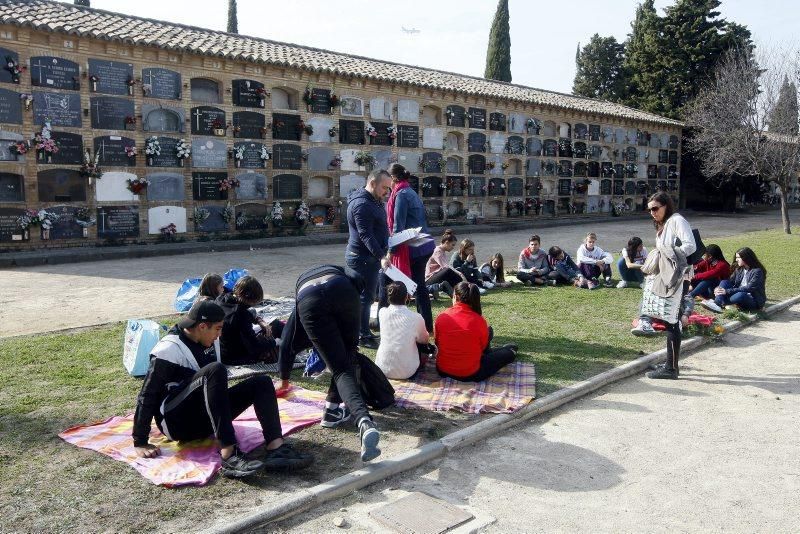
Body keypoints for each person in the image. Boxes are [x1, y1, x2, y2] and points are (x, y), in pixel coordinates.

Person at [132, 300, 312, 478]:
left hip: (206, 419)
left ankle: (276, 448)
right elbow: (147, 395)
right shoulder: (168, 349)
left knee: (262, 382)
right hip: (178, 424)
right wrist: (140, 441)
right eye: (217, 329)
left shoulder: (209, 341)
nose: (219, 335)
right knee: (214, 370)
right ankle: (228, 452)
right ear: (202, 326)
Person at [277, 265, 382, 462]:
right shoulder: (339, 270)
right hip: (344, 291)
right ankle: (349, 416)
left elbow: (285, 342)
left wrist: (284, 379)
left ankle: (343, 415)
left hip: (311, 300)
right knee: (345, 360)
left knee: (340, 366)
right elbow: (358, 277)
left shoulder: (303, 286)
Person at [634, 191, 696, 380]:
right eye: (649, 210)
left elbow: (690, 245)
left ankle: (671, 368)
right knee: (668, 318)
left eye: (655, 208)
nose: (652, 212)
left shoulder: (677, 220)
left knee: (671, 320)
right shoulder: (664, 224)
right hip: (667, 277)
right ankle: (671, 364)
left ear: (666, 206)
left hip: (677, 277)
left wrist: (668, 255)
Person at [383, 163, 433, 332]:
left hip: (413, 248)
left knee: (411, 286)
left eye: (388, 178)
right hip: (424, 245)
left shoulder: (401, 195)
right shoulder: (410, 191)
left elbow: (398, 227)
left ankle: (391, 321)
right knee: (419, 286)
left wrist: (391, 253)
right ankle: (426, 325)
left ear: (394, 178)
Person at [346, 169, 392, 350]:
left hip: (369, 257)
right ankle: (362, 334)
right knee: (364, 298)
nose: (387, 192)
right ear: (372, 183)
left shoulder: (374, 200)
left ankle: (363, 331)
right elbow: (365, 234)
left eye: (389, 188)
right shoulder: (362, 205)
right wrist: (381, 255)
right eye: (384, 188)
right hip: (362, 258)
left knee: (366, 297)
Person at [435, 282, 518, 382]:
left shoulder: (442, 316)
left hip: (443, 370)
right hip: (470, 373)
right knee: (509, 352)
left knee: (489, 332)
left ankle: (504, 349)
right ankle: (509, 350)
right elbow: (482, 349)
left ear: (456, 297)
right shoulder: (479, 320)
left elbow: (437, 343)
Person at [216, 276, 279, 365]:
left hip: (221, 351)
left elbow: (247, 313)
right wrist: (274, 342)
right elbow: (254, 346)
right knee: (275, 327)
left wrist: (259, 320)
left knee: (270, 328)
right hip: (235, 357)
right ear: (251, 299)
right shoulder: (241, 314)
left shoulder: (221, 299)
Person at [375, 282, 432, 380]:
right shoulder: (416, 318)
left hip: (382, 368)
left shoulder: (382, 312)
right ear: (407, 297)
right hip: (407, 372)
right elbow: (424, 340)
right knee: (421, 342)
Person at [701, 247, 766, 313]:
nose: (736, 259)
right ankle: (718, 303)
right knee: (724, 282)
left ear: (746, 258)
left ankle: (717, 303)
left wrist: (726, 291)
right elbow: (730, 282)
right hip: (737, 294)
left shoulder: (757, 271)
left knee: (741, 294)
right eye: (736, 257)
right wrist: (718, 289)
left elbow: (749, 288)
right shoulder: (739, 269)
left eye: (738, 257)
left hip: (752, 300)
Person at [425, 229, 465, 298]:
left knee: (455, 271)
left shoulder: (442, 251)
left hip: (436, 276)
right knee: (448, 271)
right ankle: (463, 290)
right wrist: (460, 274)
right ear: (446, 242)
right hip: (428, 281)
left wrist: (458, 272)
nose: (453, 247)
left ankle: (458, 291)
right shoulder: (437, 251)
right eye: (452, 245)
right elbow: (445, 267)